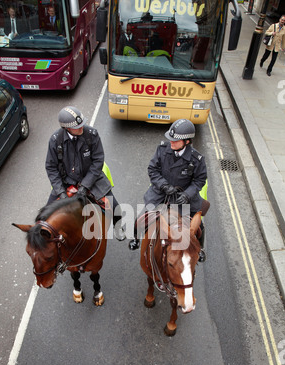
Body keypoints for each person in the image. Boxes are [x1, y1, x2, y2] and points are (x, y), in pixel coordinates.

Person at [128, 119, 208, 262]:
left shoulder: (197, 159)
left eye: (175, 140)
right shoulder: (162, 149)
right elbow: (152, 170)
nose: (171, 142)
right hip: (161, 192)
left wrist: (187, 195)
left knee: (199, 226)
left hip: (183, 197)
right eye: (170, 139)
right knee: (141, 216)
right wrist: (164, 185)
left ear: (187, 142)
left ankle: (200, 248)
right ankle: (135, 238)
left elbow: (199, 180)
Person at [45, 106, 126, 241]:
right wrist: (61, 193)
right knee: (46, 215)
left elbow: (98, 161)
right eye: (78, 126)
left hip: (92, 179)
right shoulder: (55, 141)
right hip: (66, 182)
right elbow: (51, 168)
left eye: (82, 123)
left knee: (115, 206)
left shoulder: (92, 135)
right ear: (66, 128)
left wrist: (85, 186)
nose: (82, 127)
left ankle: (118, 226)